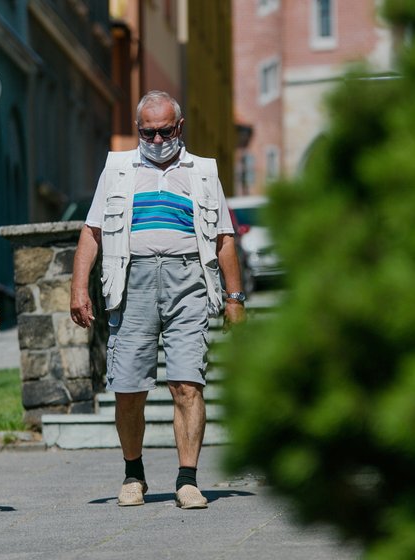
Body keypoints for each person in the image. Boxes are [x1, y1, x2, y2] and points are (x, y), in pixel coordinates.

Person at [70, 90, 247, 509]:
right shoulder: (117, 168)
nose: (155, 140)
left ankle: (187, 479)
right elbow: (92, 231)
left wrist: (234, 298)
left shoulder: (202, 171)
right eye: (146, 133)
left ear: (179, 127)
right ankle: (134, 475)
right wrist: (79, 289)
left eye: (163, 131)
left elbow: (224, 238)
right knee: (129, 386)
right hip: (132, 281)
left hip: (189, 280)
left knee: (187, 382)